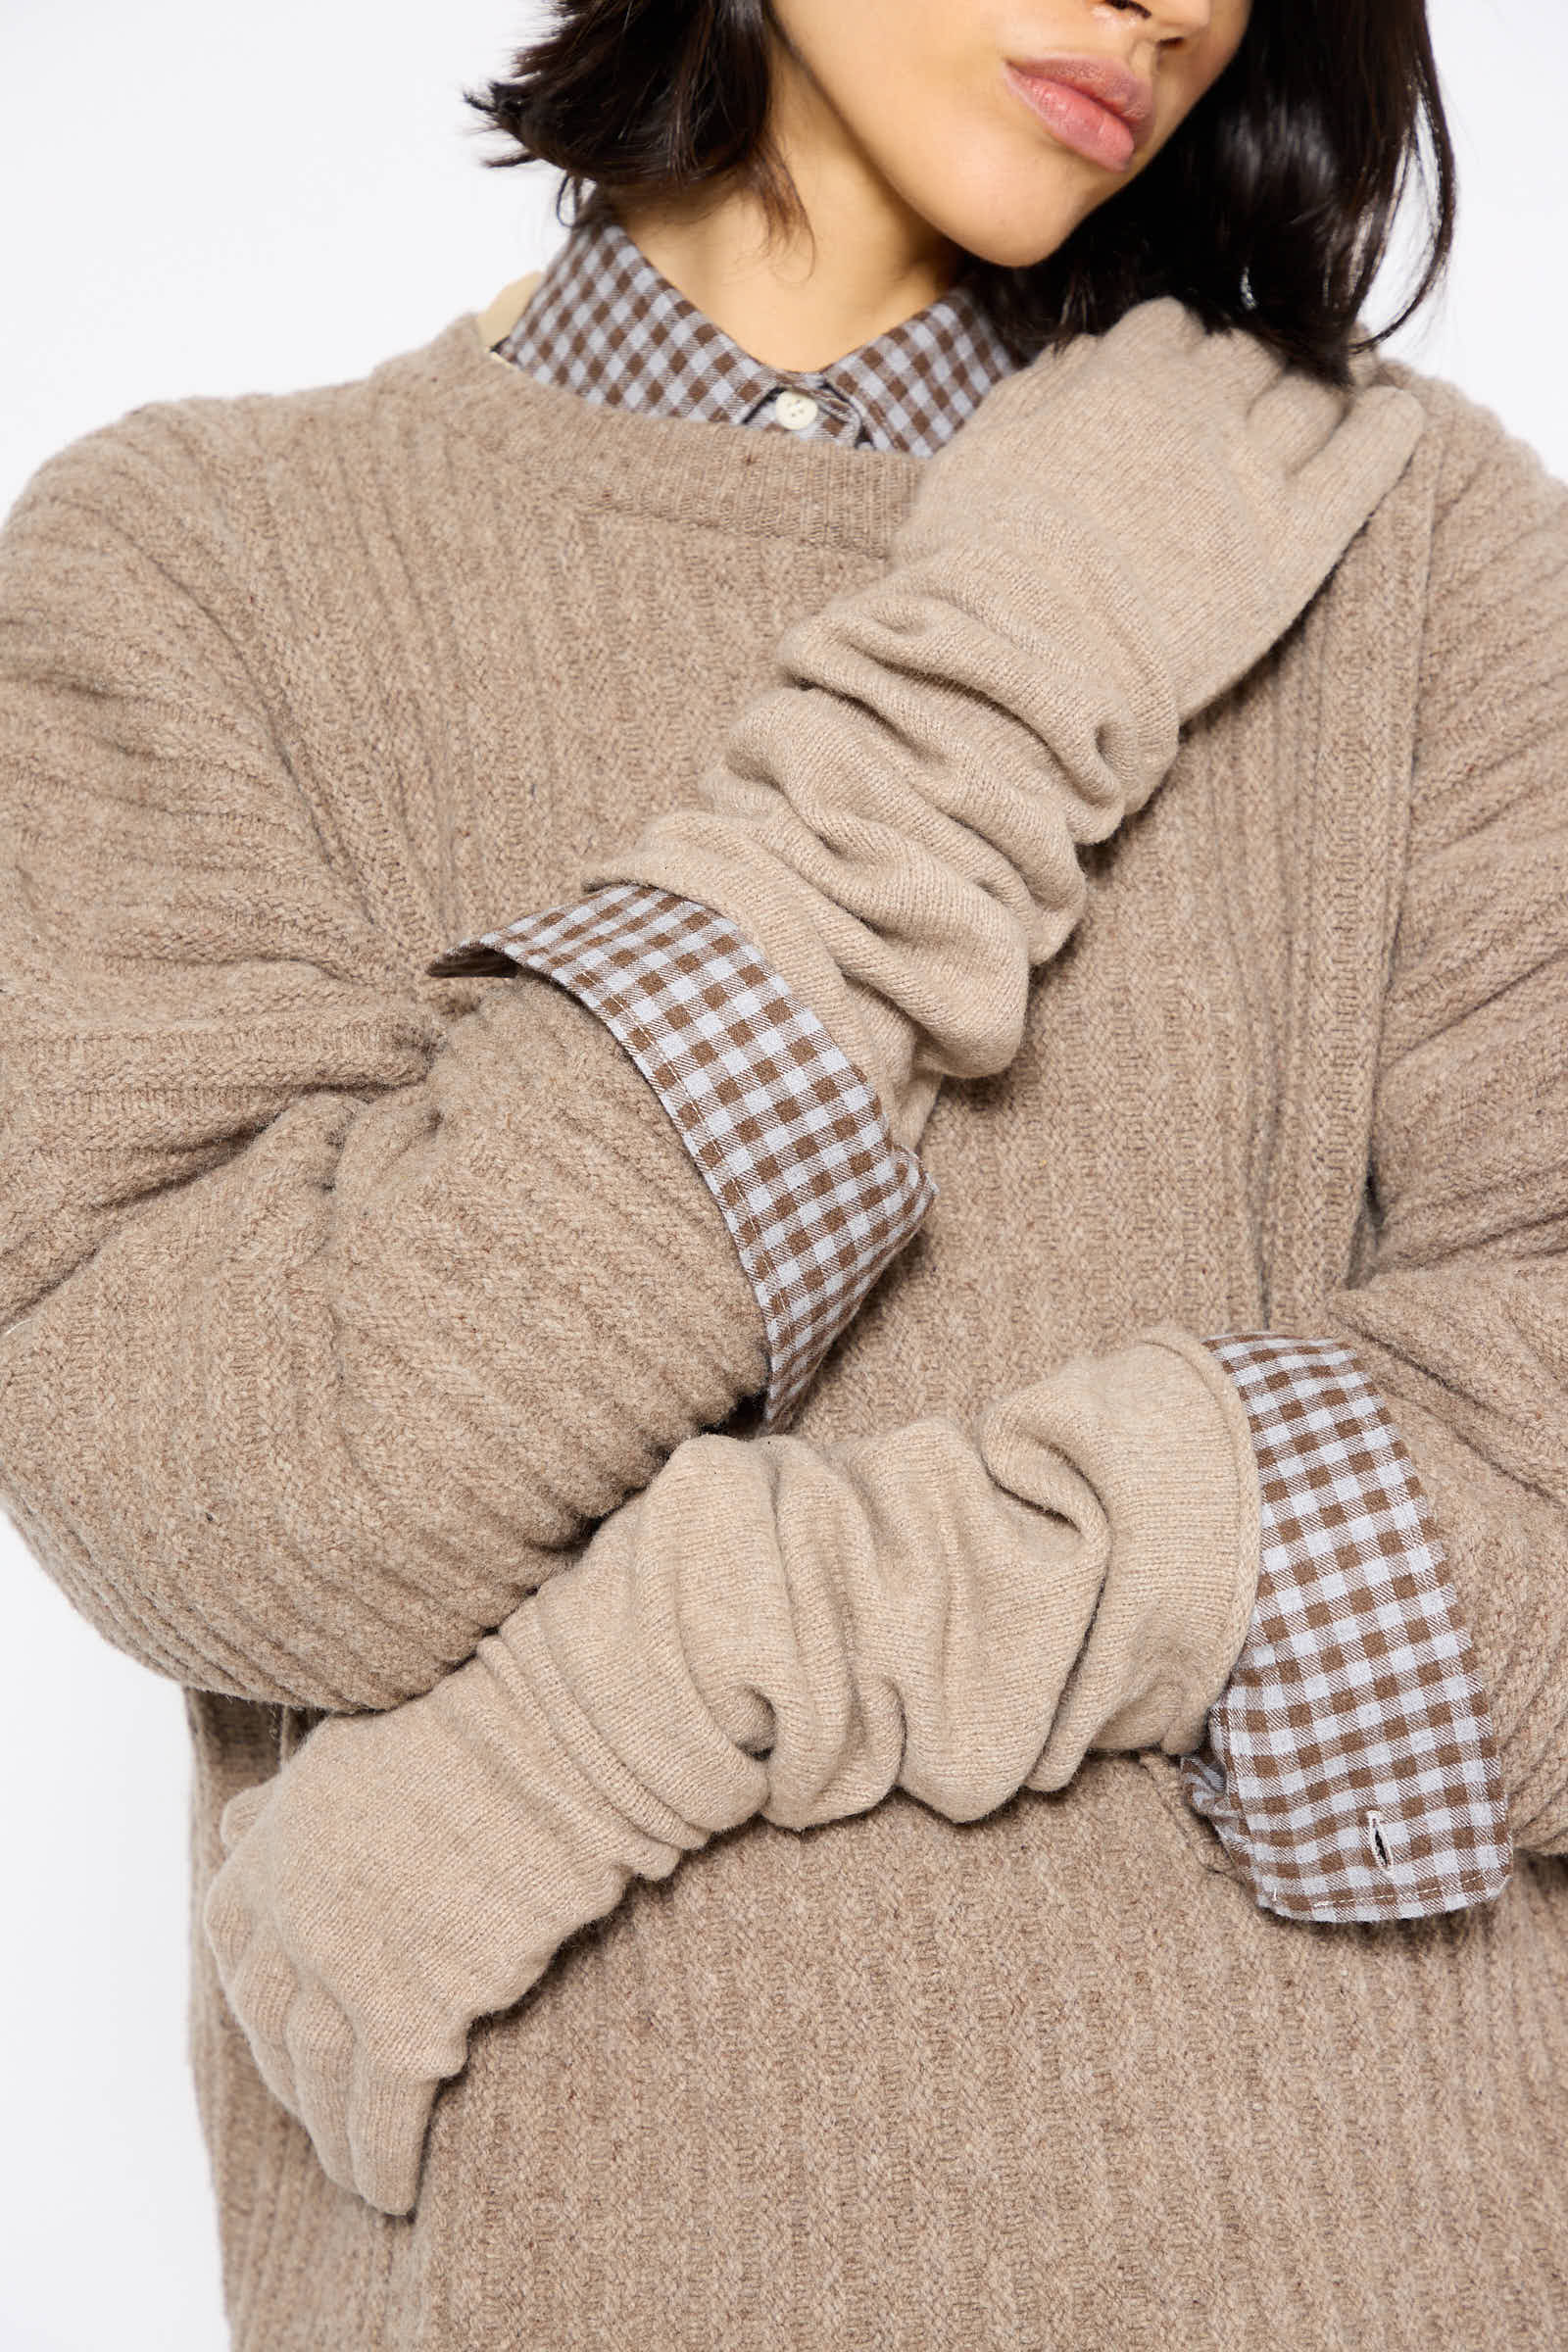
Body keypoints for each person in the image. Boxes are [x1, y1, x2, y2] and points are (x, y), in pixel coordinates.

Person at [2, 0, 1563, 2344]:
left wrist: (676, 1670)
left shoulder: (1400, 539)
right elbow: (261, 1486)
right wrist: (996, 679)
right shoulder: (191, 569)